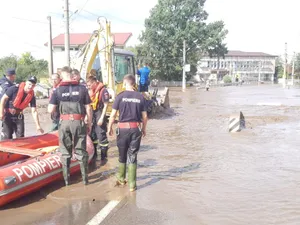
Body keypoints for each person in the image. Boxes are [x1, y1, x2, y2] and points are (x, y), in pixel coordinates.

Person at [48, 66, 92, 186]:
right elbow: (88, 107)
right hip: (79, 122)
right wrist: (90, 123)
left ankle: (67, 182)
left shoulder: (57, 90)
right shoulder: (82, 89)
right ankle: (85, 180)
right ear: (71, 75)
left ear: (62, 75)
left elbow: (50, 109)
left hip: (64, 123)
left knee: (65, 152)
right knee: (81, 151)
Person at [108, 74, 148, 192]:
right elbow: (145, 117)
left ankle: (121, 178)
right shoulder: (140, 97)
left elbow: (113, 115)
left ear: (125, 83)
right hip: (136, 129)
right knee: (133, 155)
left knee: (122, 154)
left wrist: (109, 127)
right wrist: (144, 129)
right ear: (134, 84)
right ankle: (132, 185)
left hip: (123, 129)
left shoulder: (120, 96)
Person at [0, 76, 44, 140]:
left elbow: (34, 111)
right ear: (26, 83)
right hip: (8, 115)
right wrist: (1, 113)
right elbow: (3, 99)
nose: (30, 87)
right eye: (29, 84)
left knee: (21, 137)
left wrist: (38, 125)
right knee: (7, 136)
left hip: (19, 116)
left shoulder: (31, 96)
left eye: (33, 85)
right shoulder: (14, 89)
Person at [86, 76, 110, 160]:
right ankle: (94, 155)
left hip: (100, 112)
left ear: (94, 82)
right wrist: (87, 117)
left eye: (89, 85)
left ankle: (104, 157)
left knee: (101, 134)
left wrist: (102, 118)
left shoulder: (103, 91)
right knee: (92, 134)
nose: (88, 87)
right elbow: (88, 105)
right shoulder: (90, 92)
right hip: (92, 113)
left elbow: (106, 105)